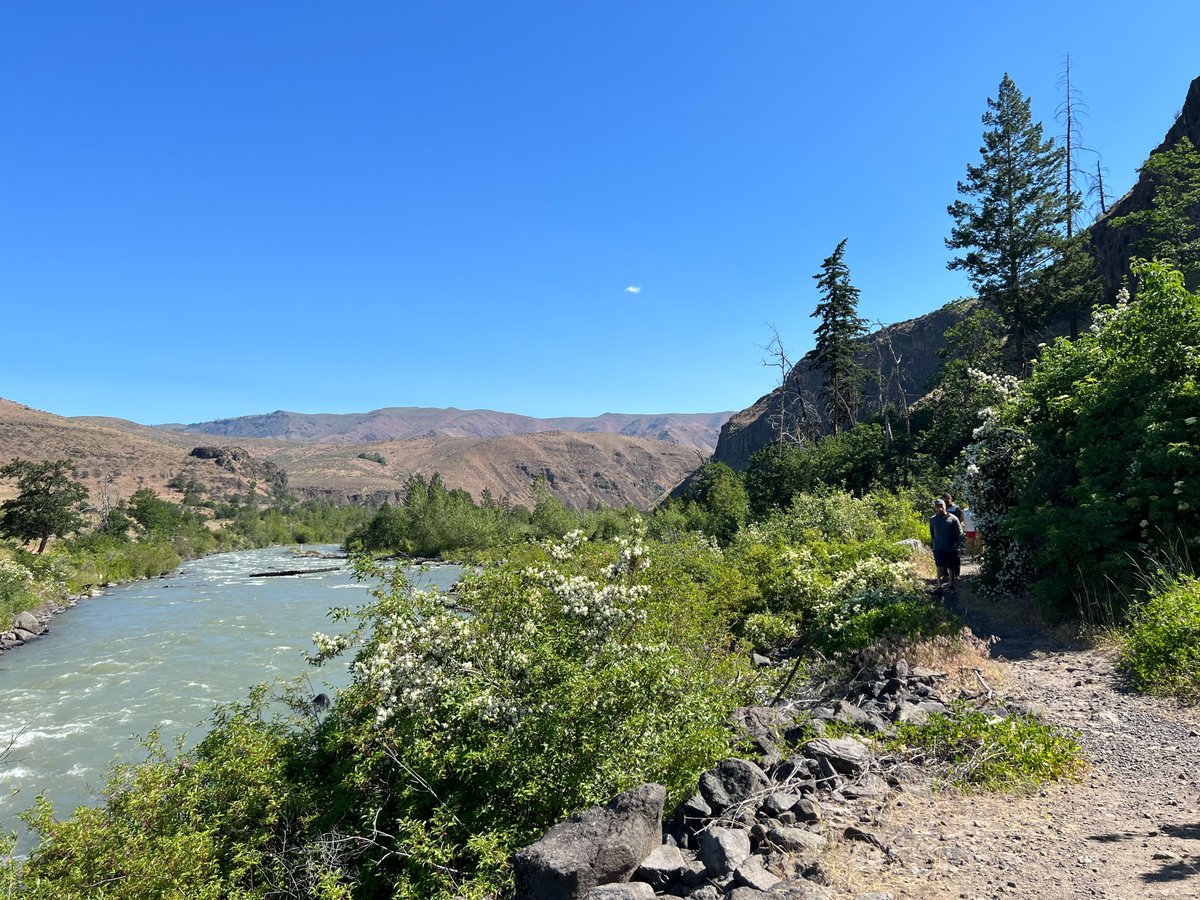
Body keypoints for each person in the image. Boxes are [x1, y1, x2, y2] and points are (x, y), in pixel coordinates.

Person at [929, 498, 963, 593]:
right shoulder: (933, 520)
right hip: (938, 548)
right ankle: (939, 586)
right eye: (937, 507)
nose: (940, 509)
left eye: (941, 506)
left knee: (951, 567)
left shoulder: (953, 519)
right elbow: (932, 533)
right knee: (939, 567)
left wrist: (959, 545)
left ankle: (951, 585)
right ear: (935, 508)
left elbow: (959, 533)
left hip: (951, 548)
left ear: (945, 506)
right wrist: (933, 545)